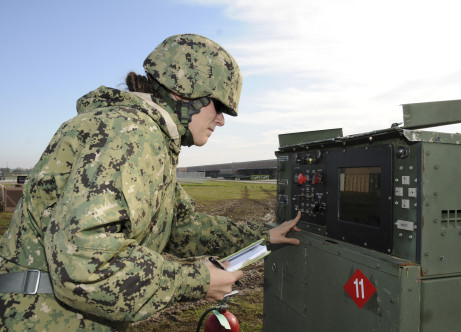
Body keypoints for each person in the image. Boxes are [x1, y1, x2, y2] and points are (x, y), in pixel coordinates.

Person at [0, 34, 301, 331]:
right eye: (219, 107)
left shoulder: (149, 139)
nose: (221, 120)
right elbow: (86, 266)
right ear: (185, 93)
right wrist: (198, 280)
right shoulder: (133, 134)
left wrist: (263, 236)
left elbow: (183, 228)